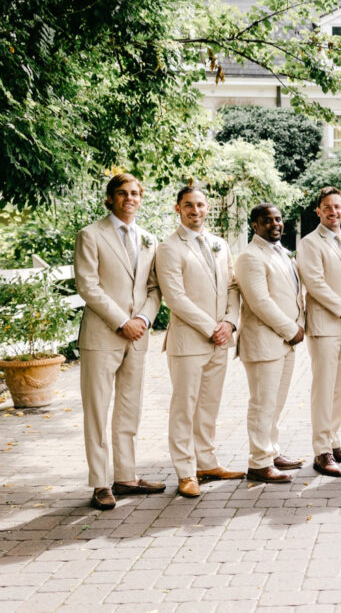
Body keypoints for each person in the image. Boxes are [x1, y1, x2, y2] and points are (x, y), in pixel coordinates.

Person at [74, 173, 163, 510]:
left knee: (129, 408)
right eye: (123, 193)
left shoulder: (148, 239)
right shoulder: (90, 235)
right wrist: (122, 321)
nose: (130, 198)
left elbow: (154, 288)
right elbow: (88, 285)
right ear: (109, 199)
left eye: (135, 193)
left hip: (137, 337)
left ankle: (125, 477)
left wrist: (142, 320)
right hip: (102, 336)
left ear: (141, 199)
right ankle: (100, 483)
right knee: (97, 410)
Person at [156, 185, 244, 498]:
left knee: (208, 405)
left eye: (201, 205)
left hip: (221, 339)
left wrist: (230, 323)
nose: (196, 211)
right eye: (189, 205)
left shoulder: (221, 244)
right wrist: (211, 327)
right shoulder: (169, 248)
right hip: (189, 342)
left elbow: (234, 286)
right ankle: (185, 472)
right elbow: (174, 297)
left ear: (208, 208)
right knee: (185, 407)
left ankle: (207, 462)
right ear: (178, 209)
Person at [296, 187, 341, 478]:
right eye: (327, 207)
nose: (333, 212)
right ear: (318, 210)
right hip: (326, 326)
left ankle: (334, 441)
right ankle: (321, 451)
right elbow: (314, 283)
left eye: (337, 207)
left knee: (340, 388)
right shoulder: (310, 243)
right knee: (324, 388)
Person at [236, 203, 305, 484]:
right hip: (265, 342)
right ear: (255, 225)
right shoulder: (250, 257)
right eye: (267, 220)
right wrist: (291, 329)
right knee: (262, 404)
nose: (275, 224)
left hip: (285, 342)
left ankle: (272, 451)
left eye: (278, 219)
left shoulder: (284, 253)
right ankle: (258, 462)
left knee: (276, 403)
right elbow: (260, 301)